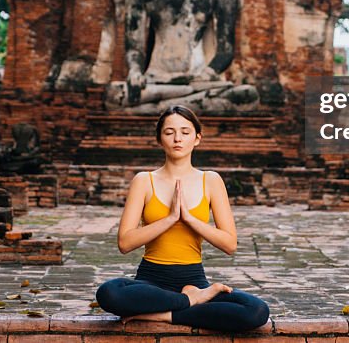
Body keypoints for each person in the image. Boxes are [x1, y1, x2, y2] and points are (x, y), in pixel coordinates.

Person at [95, 104, 270, 331]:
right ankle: (189, 303)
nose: (178, 138)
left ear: (197, 138)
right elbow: (125, 243)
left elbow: (229, 244)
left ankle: (164, 314)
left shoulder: (211, 180)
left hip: (193, 281)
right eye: (169, 132)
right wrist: (169, 219)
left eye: (185, 132)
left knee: (256, 311)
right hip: (150, 281)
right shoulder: (144, 180)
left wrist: (189, 219)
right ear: (159, 139)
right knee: (109, 293)